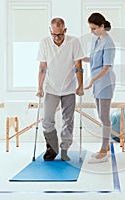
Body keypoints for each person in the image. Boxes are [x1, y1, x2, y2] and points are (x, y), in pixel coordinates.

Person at [36, 18, 84, 161]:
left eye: (60, 34)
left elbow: (79, 66)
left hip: (69, 88)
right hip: (51, 88)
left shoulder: (74, 42)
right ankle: (52, 148)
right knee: (47, 120)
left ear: (65, 30)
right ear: (50, 31)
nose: (57, 38)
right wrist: (39, 87)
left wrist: (80, 86)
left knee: (68, 120)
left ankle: (64, 149)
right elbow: (42, 67)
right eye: (54, 35)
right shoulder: (44, 42)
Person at [83, 13, 116, 164]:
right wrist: (80, 58)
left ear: (102, 26)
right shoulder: (96, 39)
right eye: (90, 28)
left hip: (105, 82)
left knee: (104, 117)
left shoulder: (108, 43)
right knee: (101, 116)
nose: (92, 31)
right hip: (97, 81)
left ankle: (103, 150)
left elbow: (106, 67)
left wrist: (92, 80)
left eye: (94, 28)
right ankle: (106, 147)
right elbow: (94, 59)